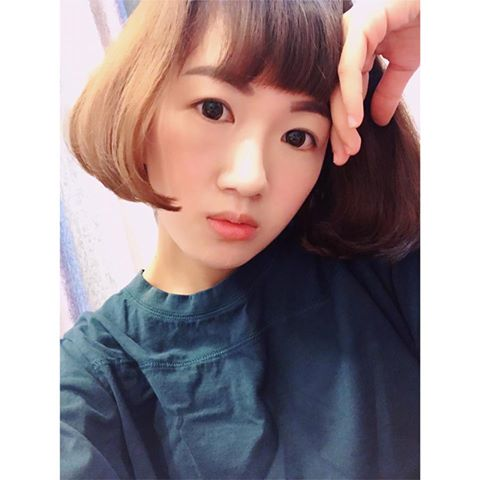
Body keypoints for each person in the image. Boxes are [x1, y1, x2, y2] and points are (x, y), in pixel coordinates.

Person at [61, 0, 420, 478]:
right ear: (141, 96)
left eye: (297, 137)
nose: (250, 178)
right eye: (214, 109)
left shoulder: (384, 270)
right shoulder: (85, 395)